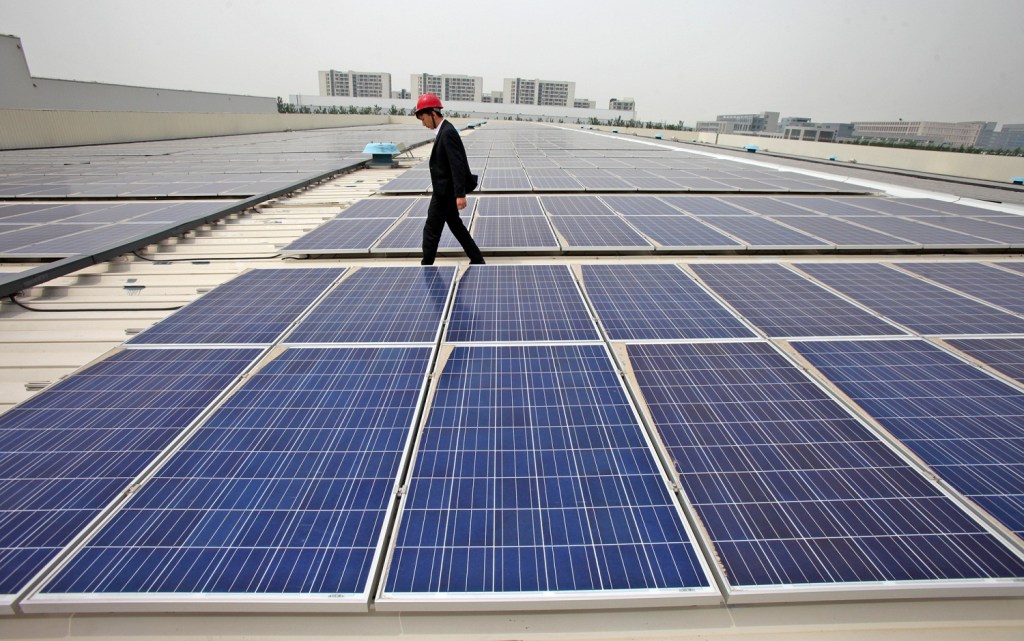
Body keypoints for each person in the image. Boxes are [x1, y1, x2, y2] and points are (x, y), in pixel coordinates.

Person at [414, 93, 485, 265]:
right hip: (445, 191)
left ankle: (426, 264)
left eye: (423, 119)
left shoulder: (447, 133)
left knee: (431, 229)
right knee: (456, 226)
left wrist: (460, 194)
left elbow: (457, 164)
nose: (423, 124)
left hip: (445, 193)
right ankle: (477, 259)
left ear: (432, 113)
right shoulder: (444, 131)